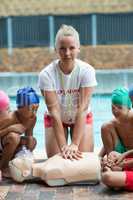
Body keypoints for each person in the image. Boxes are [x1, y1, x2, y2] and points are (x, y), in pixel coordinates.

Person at [38, 24, 97, 160]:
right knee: (57, 161)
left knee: (83, 160)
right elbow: (55, 112)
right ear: (56, 49)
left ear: (78, 48)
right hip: (57, 119)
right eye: (62, 48)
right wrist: (65, 147)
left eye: (71, 48)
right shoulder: (46, 75)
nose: (67, 53)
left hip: (81, 117)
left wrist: (75, 144)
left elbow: (82, 109)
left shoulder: (87, 71)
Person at [0, 87, 39, 180]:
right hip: (2, 145)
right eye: (31, 108)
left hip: (8, 149)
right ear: (20, 108)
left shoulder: (32, 119)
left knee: (31, 141)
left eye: (36, 108)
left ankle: (14, 163)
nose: (34, 112)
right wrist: (10, 129)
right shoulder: (9, 118)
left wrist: (27, 160)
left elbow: (29, 136)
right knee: (14, 137)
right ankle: (3, 167)